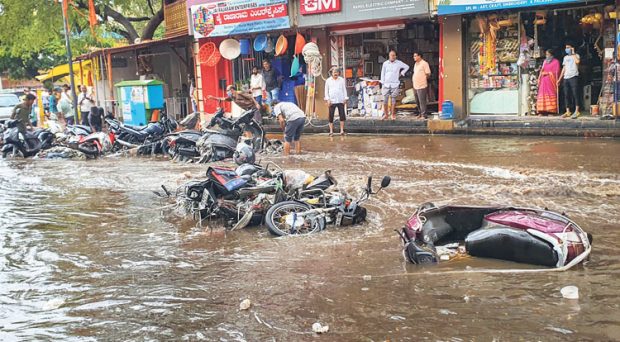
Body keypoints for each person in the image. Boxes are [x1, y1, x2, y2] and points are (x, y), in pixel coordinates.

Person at [380, 50, 409, 120]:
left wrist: (401, 73)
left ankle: (393, 114)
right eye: (391, 55)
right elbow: (382, 73)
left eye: (394, 55)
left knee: (393, 100)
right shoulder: (385, 63)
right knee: (385, 100)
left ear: (396, 56)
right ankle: (386, 114)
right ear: (389, 56)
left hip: (395, 84)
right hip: (386, 84)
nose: (392, 57)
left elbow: (407, 67)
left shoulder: (399, 63)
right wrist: (382, 83)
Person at [558, 43, 581, 119]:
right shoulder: (565, 57)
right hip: (566, 77)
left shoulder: (576, 56)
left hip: (573, 76)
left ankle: (577, 111)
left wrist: (573, 53)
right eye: (566, 48)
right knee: (566, 94)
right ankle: (568, 111)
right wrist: (559, 79)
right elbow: (563, 68)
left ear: (572, 48)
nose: (566, 49)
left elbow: (577, 62)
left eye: (568, 47)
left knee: (575, 94)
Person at [536, 50, 561, 115]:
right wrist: (539, 78)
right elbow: (542, 70)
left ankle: (551, 111)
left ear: (552, 55)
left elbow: (557, 72)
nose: (547, 56)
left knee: (550, 94)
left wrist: (548, 73)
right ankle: (542, 111)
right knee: (542, 94)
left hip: (550, 81)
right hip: (543, 80)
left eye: (548, 54)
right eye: (546, 54)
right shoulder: (545, 62)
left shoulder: (556, 62)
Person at [324, 68, 348, 136]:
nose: (335, 73)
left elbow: (344, 89)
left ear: (339, 73)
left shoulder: (341, 80)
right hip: (332, 100)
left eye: (337, 72)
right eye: (334, 72)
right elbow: (326, 91)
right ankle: (331, 131)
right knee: (331, 116)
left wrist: (345, 98)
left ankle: (342, 131)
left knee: (342, 115)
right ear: (331, 73)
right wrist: (328, 99)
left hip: (340, 100)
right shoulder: (328, 81)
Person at [412, 52, 431, 119]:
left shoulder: (424, 63)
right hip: (415, 85)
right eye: (414, 56)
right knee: (417, 100)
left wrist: (423, 79)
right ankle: (420, 113)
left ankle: (424, 115)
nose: (414, 57)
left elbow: (428, 74)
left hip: (421, 85)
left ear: (419, 56)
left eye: (415, 56)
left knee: (422, 100)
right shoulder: (415, 64)